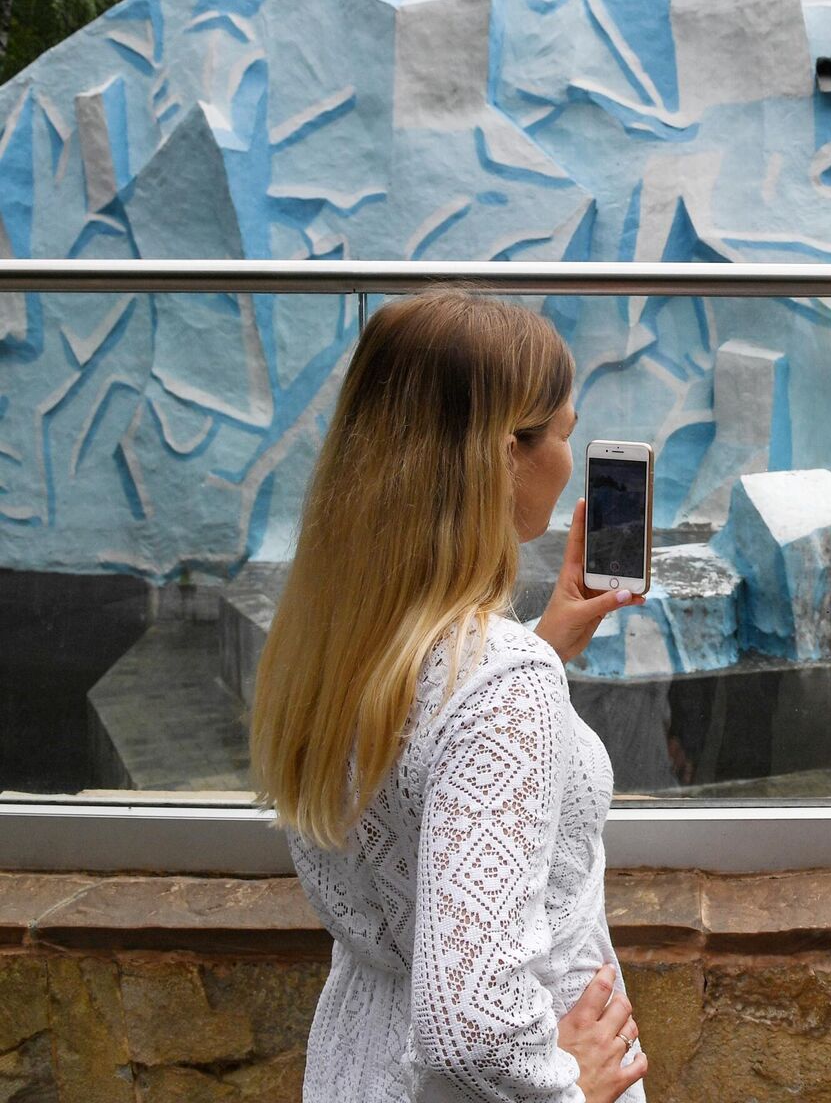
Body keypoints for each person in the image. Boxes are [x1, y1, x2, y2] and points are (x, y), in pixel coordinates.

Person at [249, 290, 651, 1102]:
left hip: (360, 1061)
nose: (571, 459)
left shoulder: (332, 638)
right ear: (507, 452)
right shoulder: (500, 684)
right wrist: (569, 1088)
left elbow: (419, 771)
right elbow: (472, 1028)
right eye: (565, 434)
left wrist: (543, 646)